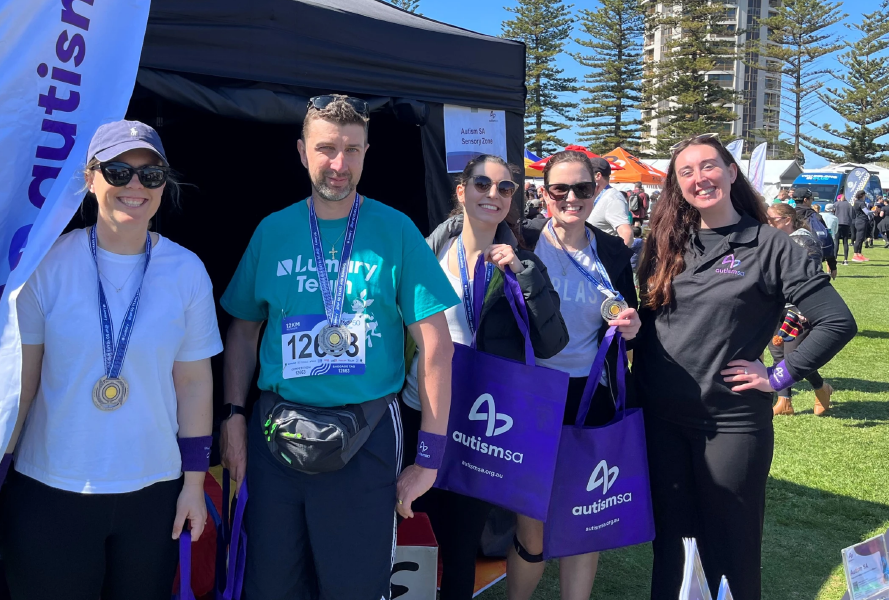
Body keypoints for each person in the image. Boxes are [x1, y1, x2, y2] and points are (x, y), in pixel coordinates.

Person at [0, 120, 224, 599]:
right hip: (50, 491)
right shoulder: (47, 266)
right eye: (118, 172)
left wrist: (194, 484)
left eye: (150, 175)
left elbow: (195, 385)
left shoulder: (187, 271)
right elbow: (20, 388)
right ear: (90, 178)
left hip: (153, 493)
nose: (135, 186)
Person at [218, 95, 459, 600]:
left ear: (368, 152)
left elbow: (436, 344)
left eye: (352, 150)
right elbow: (242, 329)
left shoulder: (396, 231)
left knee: (353, 587)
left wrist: (430, 457)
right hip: (276, 433)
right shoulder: (273, 230)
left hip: (364, 437)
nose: (338, 164)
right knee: (272, 585)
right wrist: (234, 416)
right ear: (302, 151)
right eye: (326, 148)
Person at [634, 134, 856, 600]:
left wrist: (777, 376)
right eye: (687, 172)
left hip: (730, 424)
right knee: (671, 549)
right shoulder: (665, 243)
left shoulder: (771, 246)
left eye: (709, 166)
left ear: (732, 172)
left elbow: (836, 321)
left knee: (730, 551)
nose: (700, 178)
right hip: (660, 420)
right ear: (677, 184)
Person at [400, 154, 569, 600]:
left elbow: (553, 343)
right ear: (461, 191)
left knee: (459, 547)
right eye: (481, 183)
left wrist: (521, 272)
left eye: (505, 187)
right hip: (420, 410)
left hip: (480, 424)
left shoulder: (524, 263)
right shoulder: (428, 252)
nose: (492, 194)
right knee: (409, 529)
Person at [511, 150, 641, 600]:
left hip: (591, 395)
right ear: (544, 193)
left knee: (584, 521)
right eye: (559, 189)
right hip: (530, 398)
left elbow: (629, 314)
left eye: (582, 189)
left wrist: (633, 327)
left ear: (597, 189)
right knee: (533, 531)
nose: (571, 198)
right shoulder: (522, 239)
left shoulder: (611, 250)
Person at [766, 203, 834, 416]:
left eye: (772, 220)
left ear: (787, 219)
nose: (768, 224)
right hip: (775, 305)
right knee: (778, 353)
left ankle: (821, 388)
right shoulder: (776, 239)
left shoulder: (804, 240)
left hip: (798, 308)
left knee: (793, 356)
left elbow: (810, 276)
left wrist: (803, 306)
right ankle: (785, 401)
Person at [586, 156, 634, 246]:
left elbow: (627, 234)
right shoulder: (597, 196)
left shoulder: (612, 199)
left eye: (586, 173)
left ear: (598, 176)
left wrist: (615, 259)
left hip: (602, 258)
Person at [792, 189, 837, 279]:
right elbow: (826, 238)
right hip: (812, 258)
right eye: (811, 198)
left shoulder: (788, 216)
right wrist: (832, 265)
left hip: (791, 257)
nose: (812, 201)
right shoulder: (815, 216)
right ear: (805, 200)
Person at [833, 192, 855, 265]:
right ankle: (845, 259)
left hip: (838, 223)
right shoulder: (849, 205)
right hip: (846, 224)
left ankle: (835, 258)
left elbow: (833, 213)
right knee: (845, 242)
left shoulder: (836, 204)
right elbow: (852, 215)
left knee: (836, 242)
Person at [852, 190, 870, 262]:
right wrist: (874, 211)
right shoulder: (861, 203)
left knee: (861, 238)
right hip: (861, 221)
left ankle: (859, 254)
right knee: (859, 239)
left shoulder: (856, 202)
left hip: (859, 221)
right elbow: (867, 212)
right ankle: (855, 254)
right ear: (862, 195)